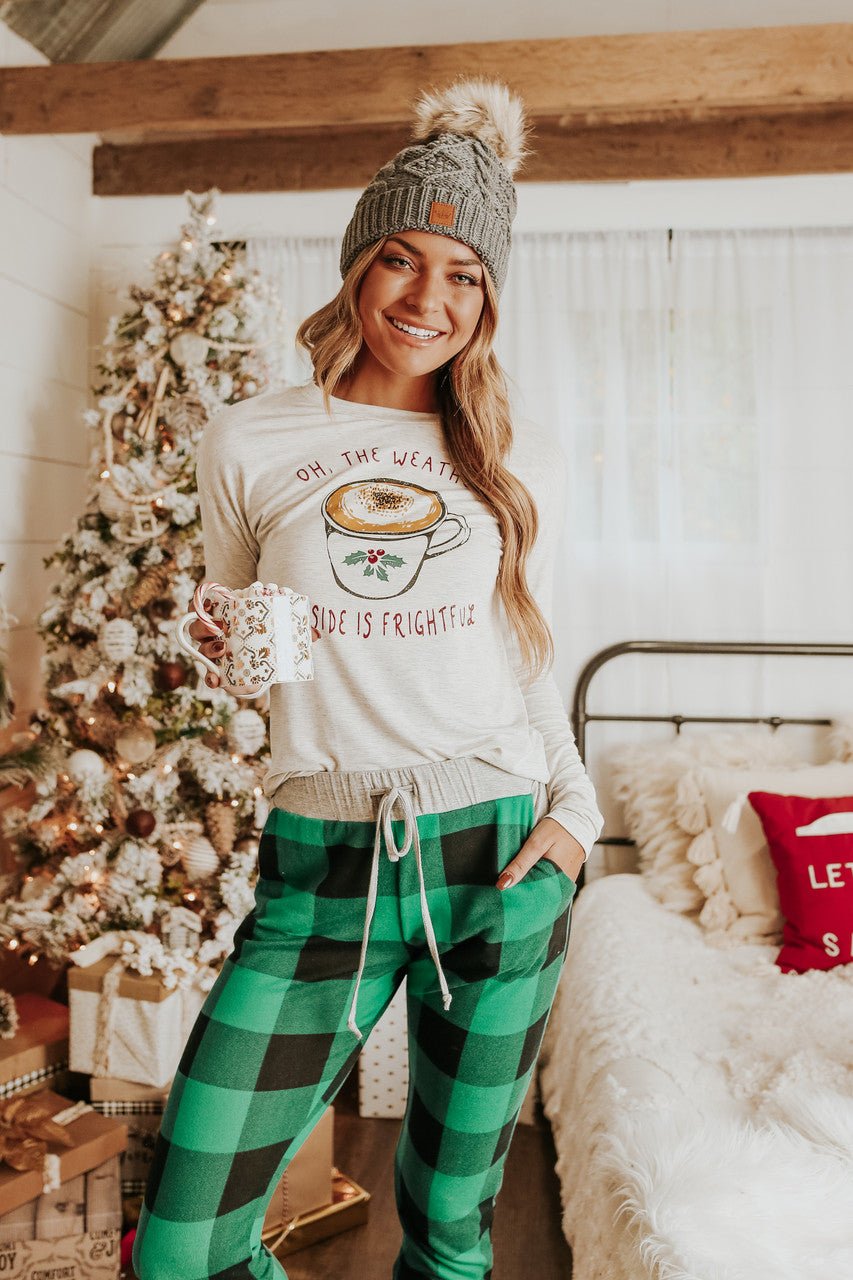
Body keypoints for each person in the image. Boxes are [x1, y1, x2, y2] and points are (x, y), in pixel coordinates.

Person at [132, 76, 604, 1280]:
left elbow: (525, 655)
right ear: (357, 266)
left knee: (451, 1232)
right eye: (401, 258)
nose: (427, 297)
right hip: (320, 861)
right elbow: (257, 646)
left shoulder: (509, 452)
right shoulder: (248, 438)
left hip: (495, 853)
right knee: (183, 1246)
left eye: (463, 273)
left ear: (487, 299)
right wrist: (217, 645)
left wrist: (573, 821)